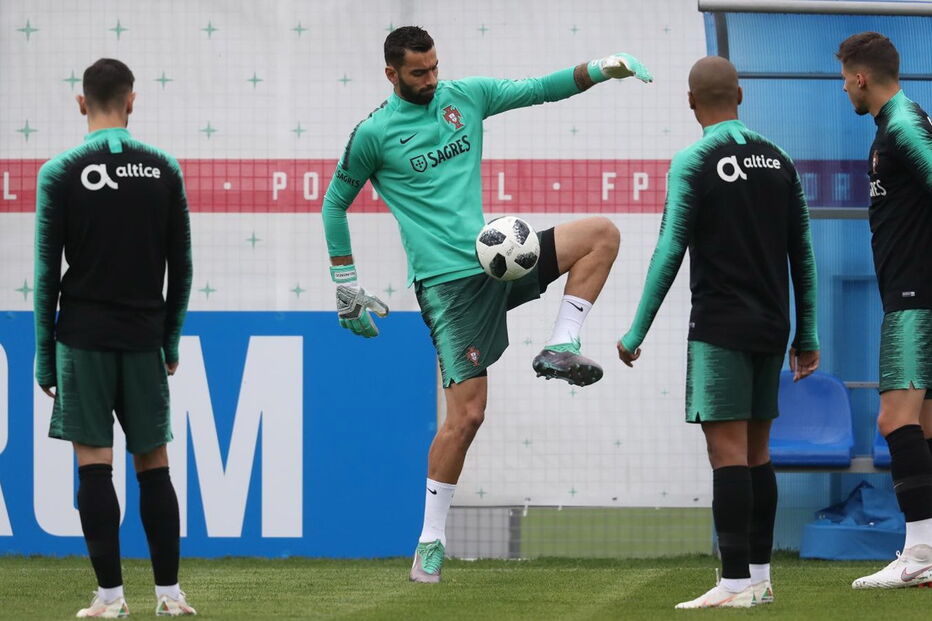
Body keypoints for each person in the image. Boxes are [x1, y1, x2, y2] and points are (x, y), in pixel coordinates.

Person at [322, 26, 651, 582]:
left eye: (433, 67)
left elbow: (539, 88)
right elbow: (335, 205)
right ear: (391, 74)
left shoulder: (464, 96)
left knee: (601, 234)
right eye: (418, 73)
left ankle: (560, 346)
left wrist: (601, 68)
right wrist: (347, 284)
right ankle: (430, 540)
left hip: (498, 259)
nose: (430, 79)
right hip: (447, 288)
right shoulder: (374, 134)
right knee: (468, 417)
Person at [616, 56, 820, 608]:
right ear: (741, 95)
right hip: (773, 325)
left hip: (720, 327)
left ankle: (734, 584)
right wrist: (808, 335)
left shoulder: (693, 161)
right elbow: (801, 253)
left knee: (727, 454)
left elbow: (668, 251)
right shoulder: (780, 161)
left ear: (690, 102)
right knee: (758, 453)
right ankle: (759, 578)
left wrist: (636, 331)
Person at [33, 58, 195, 617]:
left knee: (93, 466)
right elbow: (183, 265)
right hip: (144, 338)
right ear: (132, 100)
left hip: (82, 340)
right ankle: (170, 597)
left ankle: (110, 599)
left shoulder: (59, 172)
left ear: (83, 102)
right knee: (154, 464)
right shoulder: (164, 169)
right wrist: (170, 341)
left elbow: (46, 274)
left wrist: (44, 358)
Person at [836, 32, 932, 589]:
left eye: (844, 76)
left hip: (916, 301)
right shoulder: (891, 127)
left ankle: (918, 554)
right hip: (917, 295)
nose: (842, 85)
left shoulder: (903, 123)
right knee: (922, 424)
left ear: (862, 77)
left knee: (894, 419)